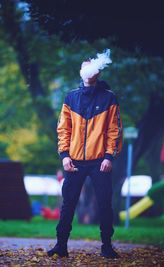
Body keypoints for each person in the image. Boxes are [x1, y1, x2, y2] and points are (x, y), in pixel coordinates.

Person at [47, 58, 123, 259]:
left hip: (100, 161)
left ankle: (107, 246)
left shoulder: (109, 98)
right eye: (85, 66)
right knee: (68, 203)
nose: (89, 70)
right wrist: (64, 156)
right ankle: (60, 245)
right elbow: (64, 129)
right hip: (75, 161)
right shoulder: (71, 97)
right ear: (81, 71)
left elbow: (114, 130)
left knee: (105, 203)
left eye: (92, 67)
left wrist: (109, 156)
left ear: (98, 72)